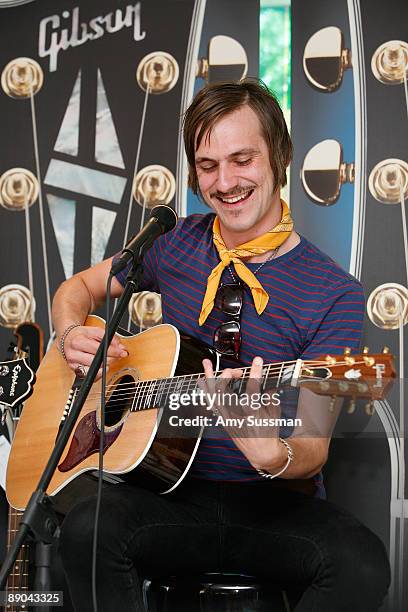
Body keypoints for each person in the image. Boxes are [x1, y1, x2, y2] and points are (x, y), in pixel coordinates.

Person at [51, 79, 390, 611]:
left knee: (362, 562)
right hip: (168, 494)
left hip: (272, 510)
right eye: (208, 165)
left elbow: (313, 449)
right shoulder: (173, 243)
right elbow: (77, 290)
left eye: (242, 159)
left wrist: (272, 454)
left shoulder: (335, 293)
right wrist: (72, 333)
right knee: (86, 528)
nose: (225, 182)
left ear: (278, 155)